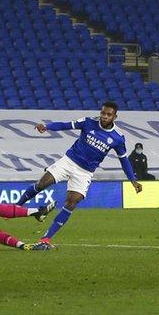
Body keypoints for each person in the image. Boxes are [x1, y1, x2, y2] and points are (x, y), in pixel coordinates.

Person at [15, 101, 142, 250]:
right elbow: (65, 125)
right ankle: (15, 207)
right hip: (69, 161)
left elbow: (124, 160)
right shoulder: (88, 122)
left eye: (108, 114)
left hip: (85, 172)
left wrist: (133, 180)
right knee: (42, 183)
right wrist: (47, 127)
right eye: (103, 113)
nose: (104, 116)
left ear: (115, 117)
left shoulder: (118, 138)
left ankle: (46, 238)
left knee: (71, 202)